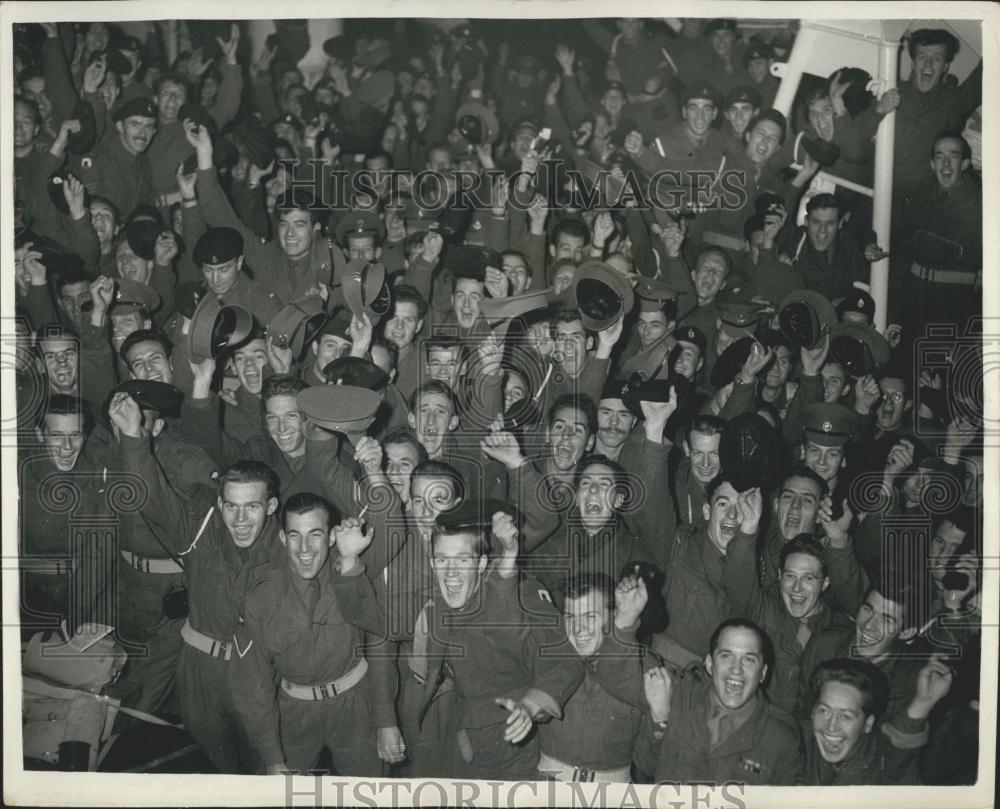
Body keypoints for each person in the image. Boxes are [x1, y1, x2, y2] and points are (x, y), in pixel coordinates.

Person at [111, 389, 282, 773]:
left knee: (257, 766)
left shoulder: (287, 550)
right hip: (199, 673)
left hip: (251, 673)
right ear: (219, 505)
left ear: (270, 507)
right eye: (231, 507)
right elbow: (152, 495)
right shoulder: (199, 534)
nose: (240, 519)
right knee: (213, 762)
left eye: (252, 507)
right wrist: (135, 439)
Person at [416, 503, 585, 779]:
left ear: (483, 563)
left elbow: (566, 664)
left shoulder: (525, 595)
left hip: (515, 745)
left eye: (462, 559)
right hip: (462, 740)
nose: (450, 572)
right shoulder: (440, 602)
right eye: (442, 559)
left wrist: (530, 706)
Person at [231, 493, 394, 775]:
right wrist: (271, 756)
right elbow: (252, 684)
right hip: (295, 713)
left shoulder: (350, 575)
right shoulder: (262, 598)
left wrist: (387, 721)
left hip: (355, 707)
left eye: (315, 535)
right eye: (295, 535)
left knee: (370, 794)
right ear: (283, 538)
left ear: (331, 537)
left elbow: (378, 642)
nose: (304, 548)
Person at [634, 618, 804, 784]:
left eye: (749, 659)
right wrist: (660, 718)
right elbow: (645, 768)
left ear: (763, 673)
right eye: (726, 656)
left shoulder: (782, 740)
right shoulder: (678, 700)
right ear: (709, 664)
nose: (736, 669)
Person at [804, 656, 954, 784]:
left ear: (867, 724)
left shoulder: (881, 764)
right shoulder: (798, 742)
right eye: (824, 711)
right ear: (812, 712)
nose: (831, 727)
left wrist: (923, 702)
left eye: (845, 716)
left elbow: (897, 752)